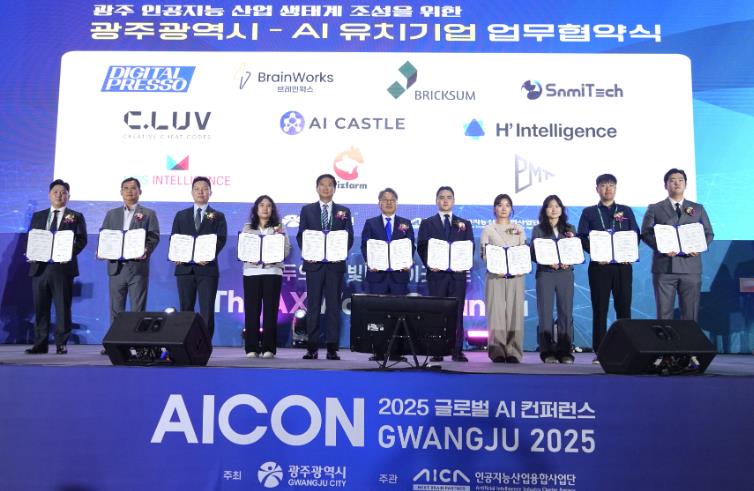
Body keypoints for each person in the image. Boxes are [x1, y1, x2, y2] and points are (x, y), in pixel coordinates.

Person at [577, 174, 640, 362]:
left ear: (616, 188)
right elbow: (582, 237)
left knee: (624, 308)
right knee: (600, 309)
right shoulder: (589, 212)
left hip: (622, 266)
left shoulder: (625, 210)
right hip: (599, 267)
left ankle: (625, 351)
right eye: (604, 185)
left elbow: (635, 234)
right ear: (597, 189)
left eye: (611, 185)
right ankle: (601, 352)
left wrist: (628, 253)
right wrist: (597, 253)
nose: (608, 189)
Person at [641, 168, 714, 321]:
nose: (677, 183)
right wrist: (662, 248)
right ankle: (664, 339)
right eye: (672, 180)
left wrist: (699, 247)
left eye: (680, 180)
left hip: (691, 268)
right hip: (664, 268)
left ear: (686, 184)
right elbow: (646, 233)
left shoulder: (698, 208)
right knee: (664, 315)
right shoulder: (655, 208)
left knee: (690, 315)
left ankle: (689, 339)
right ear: (665, 185)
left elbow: (709, 233)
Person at [26, 179, 88, 354]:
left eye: (63, 192)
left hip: (62, 268)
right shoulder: (38, 216)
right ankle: (40, 344)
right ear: (49, 195)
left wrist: (67, 253)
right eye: (56, 192)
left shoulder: (76, 216)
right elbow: (31, 238)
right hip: (40, 267)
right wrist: (31, 252)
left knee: (62, 307)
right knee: (40, 307)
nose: (59, 195)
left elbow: (82, 240)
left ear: (68, 196)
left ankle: (61, 343)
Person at [296, 173, 354, 360]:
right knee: (313, 306)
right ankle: (312, 348)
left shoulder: (344, 211)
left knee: (333, 307)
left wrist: (340, 253)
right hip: (314, 266)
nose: (326, 188)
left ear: (335, 188)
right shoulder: (307, 210)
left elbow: (349, 236)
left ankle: (332, 348)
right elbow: (301, 235)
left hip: (335, 266)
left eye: (330, 185)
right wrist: (309, 253)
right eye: (322, 184)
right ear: (317, 188)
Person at [417, 186, 474, 362]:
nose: (445, 200)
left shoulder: (465, 224)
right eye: (442, 197)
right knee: (436, 313)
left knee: (457, 312)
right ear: (436, 201)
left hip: (457, 276)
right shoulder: (427, 223)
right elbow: (421, 247)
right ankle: (436, 350)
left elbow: (469, 247)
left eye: (449, 197)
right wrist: (430, 263)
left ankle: (457, 350)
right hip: (437, 275)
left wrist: (462, 263)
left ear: (453, 201)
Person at [360, 187, 416, 361]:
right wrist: (370, 261)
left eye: (392, 200)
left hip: (399, 277)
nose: (389, 203)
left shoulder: (405, 223)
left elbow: (411, 246)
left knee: (398, 314)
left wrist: (407, 261)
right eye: (385, 200)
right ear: (379, 203)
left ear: (396, 203)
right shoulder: (371, 223)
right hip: (377, 276)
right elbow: (365, 246)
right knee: (377, 314)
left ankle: (397, 351)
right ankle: (378, 350)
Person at [171, 176, 227, 341]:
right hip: (184, 269)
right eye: (197, 189)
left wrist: (208, 256)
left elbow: (221, 239)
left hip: (207, 269)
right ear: (192, 192)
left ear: (210, 192)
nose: (201, 192)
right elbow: (175, 238)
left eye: (204, 189)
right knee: (185, 308)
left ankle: (204, 344)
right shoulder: (181, 215)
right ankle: (185, 342)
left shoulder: (218, 216)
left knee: (207, 309)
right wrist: (177, 255)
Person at [100, 177, 160, 325]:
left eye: (133, 188)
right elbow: (105, 235)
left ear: (140, 191)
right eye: (126, 188)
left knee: (137, 311)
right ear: (121, 192)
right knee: (116, 310)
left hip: (137, 267)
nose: (129, 191)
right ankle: (115, 339)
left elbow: (154, 236)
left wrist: (146, 249)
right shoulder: (111, 214)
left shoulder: (149, 213)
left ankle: (136, 338)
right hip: (116, 268)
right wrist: (102, 250)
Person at [242, 195, 291, 359]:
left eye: (268, 206)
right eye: (262, 205)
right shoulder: (247, 228)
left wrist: (275, 254)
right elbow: (243, 249)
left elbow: (287, 249)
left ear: (272, 210)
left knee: (271, 311)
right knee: (252, 311)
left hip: (272, 272)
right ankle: (251, 348)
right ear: (256, 209)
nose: (265, 208)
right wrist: (248, 256)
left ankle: (269, 348)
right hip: (251, 272)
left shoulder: (279, 227)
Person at [480, 194, 526, 363]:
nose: (504, 208)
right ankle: (497, 350)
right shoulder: (488, 229)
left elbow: (523, 250)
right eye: (500, 205)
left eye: (507, 205)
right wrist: (495, 267)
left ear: (511, 209)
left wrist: (519, 266)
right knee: (496, 313)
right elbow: (484, 252)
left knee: (516, 313)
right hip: (495, 276)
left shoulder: (519, 228)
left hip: (516, 276)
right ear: (494, 209)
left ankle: (514, 351)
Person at [531, 195, 576, 364]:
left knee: (566, 312)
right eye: (550, 206)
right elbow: (533, 253)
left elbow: (575, 250)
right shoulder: (538, 229)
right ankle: (547, 351)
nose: (554, 209)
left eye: (557, 206)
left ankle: (565, 351)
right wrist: (547, 261)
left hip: (565, 274)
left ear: (562, 209)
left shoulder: (570, 228)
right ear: (545, 210)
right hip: (545, 274)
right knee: (545, 313)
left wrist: (569, 260)